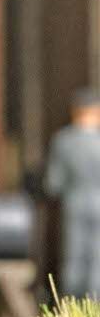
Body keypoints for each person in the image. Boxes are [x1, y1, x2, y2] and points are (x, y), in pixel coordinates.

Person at [44, 86, 100, 299]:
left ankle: (69, 303)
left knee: (73, 256)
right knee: (97, 258)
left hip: (74, 202)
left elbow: (53, 183)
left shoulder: (63, 141)